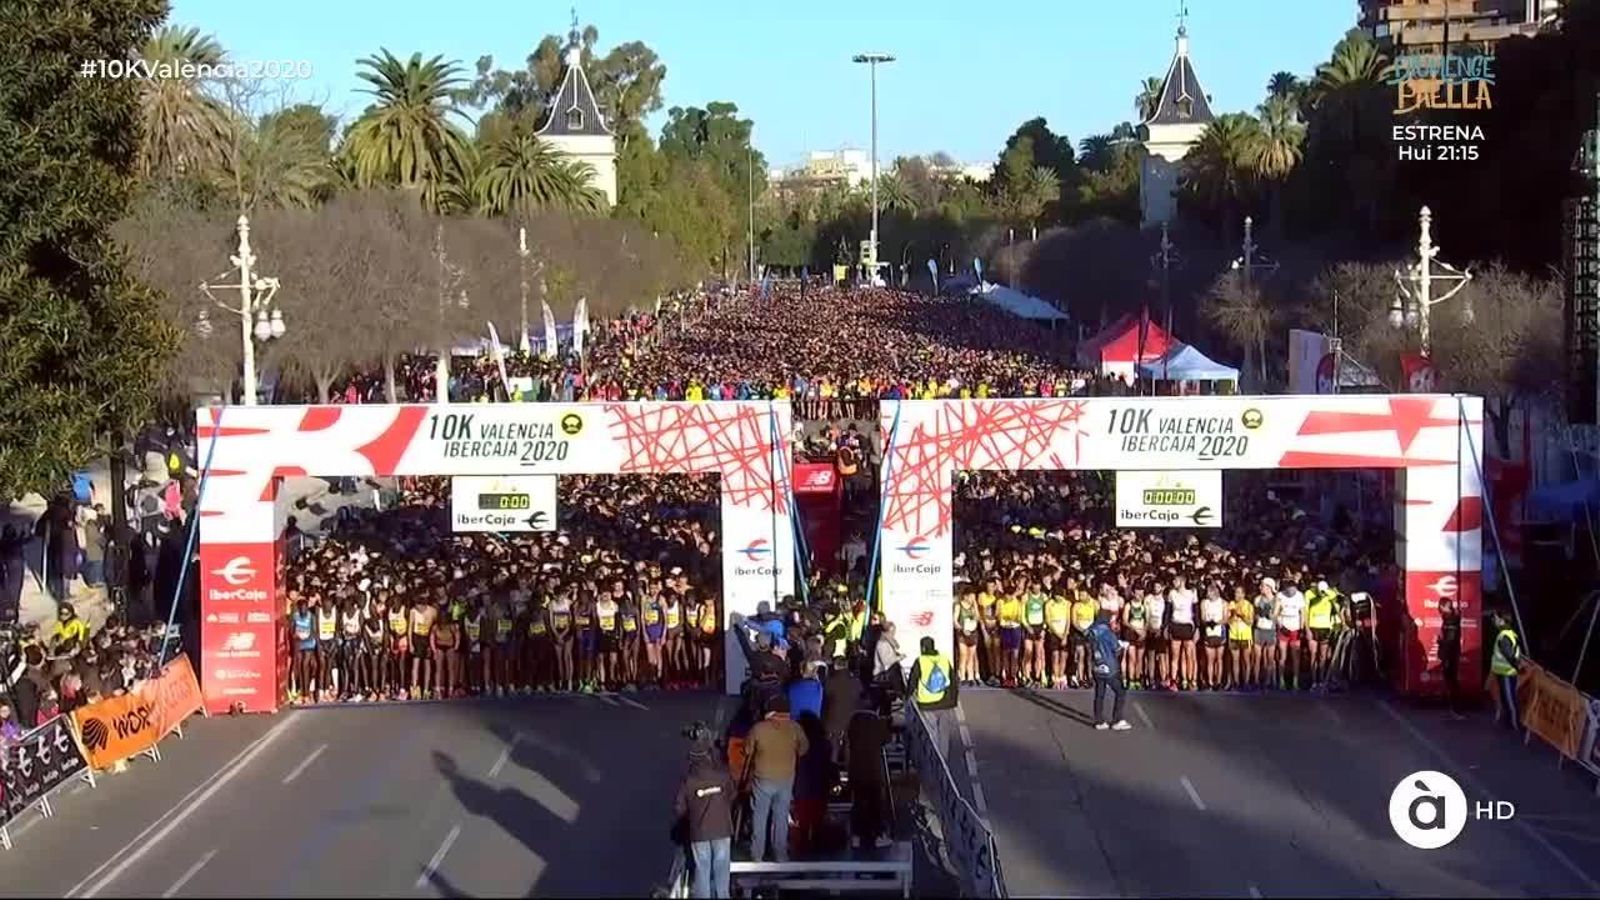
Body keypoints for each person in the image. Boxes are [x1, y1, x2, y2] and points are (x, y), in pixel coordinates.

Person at [673, 721, 736, 899]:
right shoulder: (723, 775)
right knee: (722, 869)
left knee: (702, 869)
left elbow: (679, 808)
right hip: (722, 828)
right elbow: (732, 795)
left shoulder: (689, 781)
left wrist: (691, 816)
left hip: (699, 832)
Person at [743, 694, 808, 863]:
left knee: (760, 816)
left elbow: (747, 750)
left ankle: (757, 855)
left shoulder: (759, 729)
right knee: (781, 816)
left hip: (763, 779)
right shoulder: (795, 728)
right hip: (786, 778)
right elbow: (804, 748)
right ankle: (780, 854)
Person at [907, 635, 958, 756]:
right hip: (945, 702)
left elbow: (913, 681)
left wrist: (907, 695)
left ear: (923, 648)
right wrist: (953, 701)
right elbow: (953, 682)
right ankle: (943, 761)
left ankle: (933, 759)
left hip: (927, 703)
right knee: (944, 734)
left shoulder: (920, 661)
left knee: (931, 733)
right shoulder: (944, 660)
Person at [1087, 610, 1131, 731]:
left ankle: (1098, 720)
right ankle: (1117, 720)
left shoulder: (1091, 631)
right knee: (1120, 692)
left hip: (1096, 666)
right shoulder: (1108, 633)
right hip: (1109, 667)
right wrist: (1123, 647)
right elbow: (1116, 650)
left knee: (1099, 693)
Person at [1489, 612, 1523, 734]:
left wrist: (1518, 667)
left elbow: (1509, 655)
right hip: (1503, 672)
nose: (1494, 621)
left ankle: (1516, 725)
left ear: (1503, 620)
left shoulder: (1504, 636)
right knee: (1506, 698)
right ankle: (1508, 722)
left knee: (1510, 699)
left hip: (1507, 673)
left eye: (1497, 618)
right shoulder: (1507, 634)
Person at [1438, 595, 1464, 718]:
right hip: (1449, 654)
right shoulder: (1448, 618)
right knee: (1450, 682)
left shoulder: (1451, 620)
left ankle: (1456, 709)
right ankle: (1454, 707)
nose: (1439, 609)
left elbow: (1450, 640)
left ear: (1444, 606)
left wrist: (1441, 643)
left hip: (1450, 655)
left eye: (1441, 606)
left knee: (1452, 682)